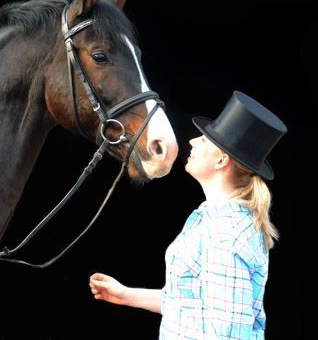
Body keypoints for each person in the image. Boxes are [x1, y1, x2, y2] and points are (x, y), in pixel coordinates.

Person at [89, 91, 287, 339]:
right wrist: (127, 295)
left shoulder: (225, 236)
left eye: (204, 140)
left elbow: (231, 335)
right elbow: (190, 305)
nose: (192, 142)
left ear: (221, 160)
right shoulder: (208, 217)